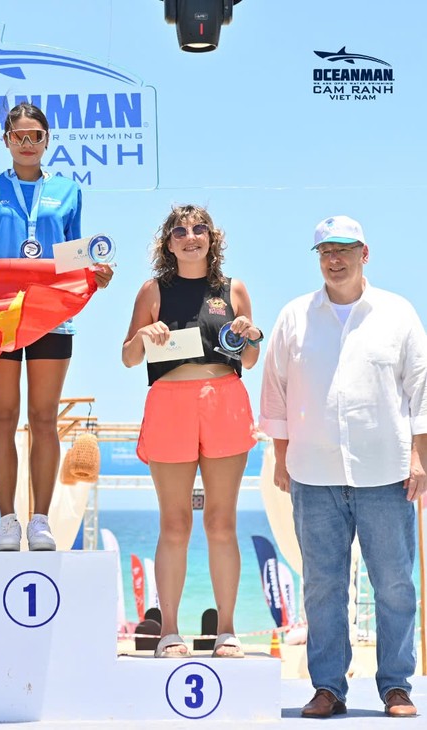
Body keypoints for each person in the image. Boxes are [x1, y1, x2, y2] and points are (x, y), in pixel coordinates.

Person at [260, 215, 427, 718]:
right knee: (322, 586)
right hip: (313, 473)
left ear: (364, 254)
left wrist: (419, 456)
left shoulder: (398, 314)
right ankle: (328, 687)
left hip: (386, 472)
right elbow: (275, 391)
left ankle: (396, 685)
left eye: (344, 250)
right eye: (325, 252)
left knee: (395, 583)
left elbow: (421, 390)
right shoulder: (294, 316)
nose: (334, 260)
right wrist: (280, 455)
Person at [0, 102, 113, 552]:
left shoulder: (70, 190)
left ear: (48, 141)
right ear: (6, 140)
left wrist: (95, 270)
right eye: (19, 136)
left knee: (45, 418)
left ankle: (40, 521)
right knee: (3, 416)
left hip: (52, 314)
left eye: (35, 136)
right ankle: (7, 521)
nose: (27, 143)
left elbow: (70, 254)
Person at [122, 204, 261, 658]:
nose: (190, 236)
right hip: (170, 404)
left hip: (225, 401)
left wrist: (250, 333)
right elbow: (127, 357)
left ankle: (227, 630)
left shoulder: (232, 288)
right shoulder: (152, 290)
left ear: (212, 237)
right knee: (174, 523)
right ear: (168, 242)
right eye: (180, 231)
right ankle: (169, 633)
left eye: (199, 229)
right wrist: (144, 336)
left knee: (222, 522)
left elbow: (250, 359)